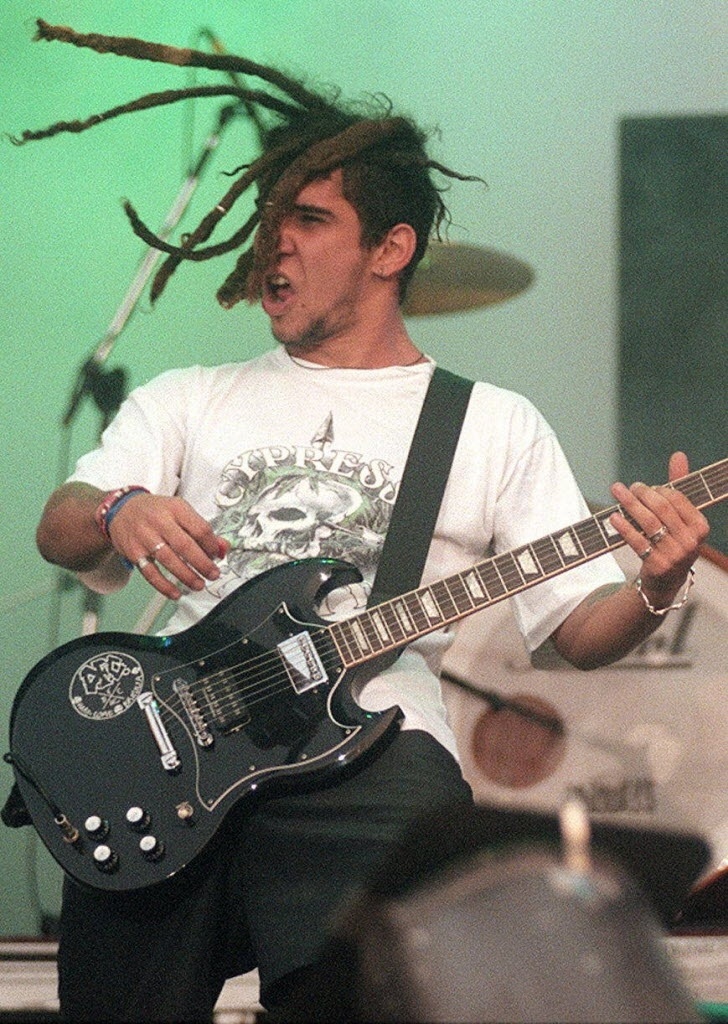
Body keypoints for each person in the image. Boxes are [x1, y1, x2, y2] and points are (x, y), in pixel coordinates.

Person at [16, 22, 709, 1023]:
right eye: (269, 217)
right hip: (168, 748)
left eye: (306, 218)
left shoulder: (486, 421)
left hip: (371, 746)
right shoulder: (189, 395)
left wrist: (652, 582)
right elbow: (60, 525)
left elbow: (575, 629)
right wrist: (121, 510)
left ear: (390, 249)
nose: (273, 242)